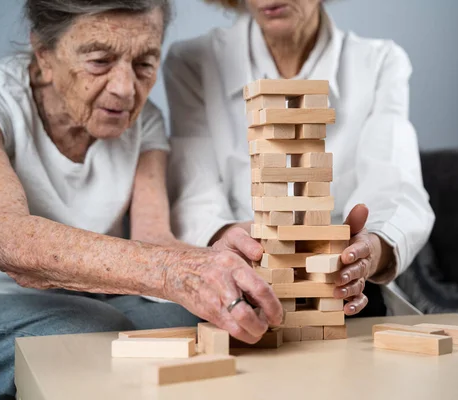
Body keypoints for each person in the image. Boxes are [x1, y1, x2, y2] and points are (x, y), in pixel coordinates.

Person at [0, 1, 283, 398]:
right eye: (99, 61)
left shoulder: (146, 122)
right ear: (44, 53)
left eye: (145, 63)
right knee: (89, 331)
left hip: (92, 294)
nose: (125, 89)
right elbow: (8, 241)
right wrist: (174, 270)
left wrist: (222, 258)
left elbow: (154, 239)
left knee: (194, 319)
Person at [165, 0, 435, 316]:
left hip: (340, 287)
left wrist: (368, 252)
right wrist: (247, 244)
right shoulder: (193, 61)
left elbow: (396, 185)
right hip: (240, 278)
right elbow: (194, 197)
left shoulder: (380, 61)